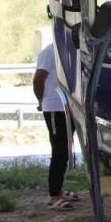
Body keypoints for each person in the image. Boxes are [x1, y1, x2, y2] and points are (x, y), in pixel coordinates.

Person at [34, 42, 79, 211]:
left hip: (71, 107)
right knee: (59, 150)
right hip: (55, 106)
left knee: (65, 149)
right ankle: (54, 195)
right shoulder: (49, 51)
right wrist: (42, 101)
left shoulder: (73, 48)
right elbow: (38, 78)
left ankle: (59, 190)